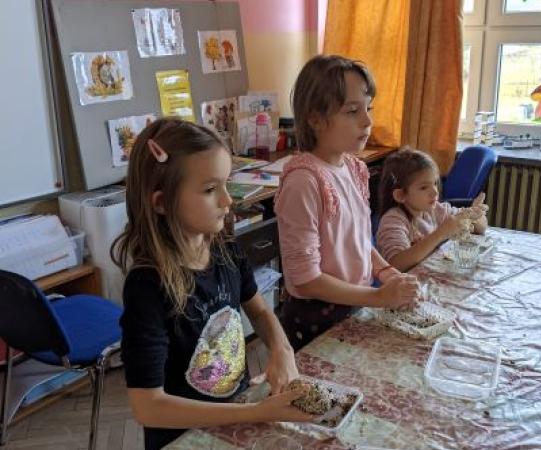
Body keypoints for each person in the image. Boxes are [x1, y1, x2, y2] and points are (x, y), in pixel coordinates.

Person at [111, 118, 311, 450]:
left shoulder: (225, 249)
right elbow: (148, 407)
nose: (227, 201)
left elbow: (260, 312)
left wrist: (282, 349)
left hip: (235, 418)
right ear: (161, 203)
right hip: (185, 437)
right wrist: (255, 412)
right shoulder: (147, 286)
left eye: (226, 184)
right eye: (209, 190)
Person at [275, 55, 420, 351]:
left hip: (354, 302)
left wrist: (386, 273)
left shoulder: (355, 168)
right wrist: (378, 297)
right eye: (353, 111)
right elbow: (305, 280)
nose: (367, 121)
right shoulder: (304, 182)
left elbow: (357, 241)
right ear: (315, 119)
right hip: (316, 318)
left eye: (368, 108)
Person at [376, 148, 488, 272]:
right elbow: (396, 264)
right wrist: (440, 233)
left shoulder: (436, 210)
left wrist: (474, 215)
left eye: (434, 183)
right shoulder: (393, 220)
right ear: (400, 195)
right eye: (424, 187)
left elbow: (481, 228)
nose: (435, 192)